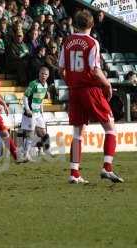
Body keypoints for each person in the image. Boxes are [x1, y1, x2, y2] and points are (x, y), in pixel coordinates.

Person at [58, 9, 123, 184]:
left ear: (75, 23)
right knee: (110, 128)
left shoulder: (67, 41)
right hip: (90, 89)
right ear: (92, 24)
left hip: (74, 91)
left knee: (78, 133)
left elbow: (60, 69)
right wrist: (107, 83)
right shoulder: (92, 42)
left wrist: (72, 81)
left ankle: (74, 173)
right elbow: (95, 69)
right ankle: (107, 168)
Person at [20, 66, 52, 161]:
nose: (43, 76)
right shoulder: (33, 84)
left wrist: (42, 111)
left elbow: (41, 99)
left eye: (45, 74)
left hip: (38, 113)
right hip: (30, 113)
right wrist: (28, 109)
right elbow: (25, 97)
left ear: (48, 76)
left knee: (43, 133)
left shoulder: (46, 85)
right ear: (39, 74)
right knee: (30, 133)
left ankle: (44, 150)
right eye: (42, 73)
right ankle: (26, 154)